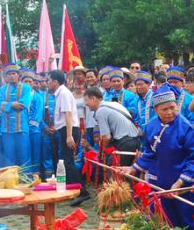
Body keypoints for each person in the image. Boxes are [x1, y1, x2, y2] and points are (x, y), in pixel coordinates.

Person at [131, 84, 194, 230]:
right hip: (161, 185)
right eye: (165, 109)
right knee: (167, 225)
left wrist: (180, 183)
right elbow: (150, 153)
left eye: (173, 107)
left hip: (184, 187)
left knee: (190, 225)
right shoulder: (151, 127)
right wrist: (133, 168)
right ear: (156, 110)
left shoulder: (186, 128)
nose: (170, 112)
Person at [50, 69, 90, 205]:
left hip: (69, 130)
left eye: (48, 80)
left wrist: (68, 135)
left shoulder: (64, 93)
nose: (47, 83)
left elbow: (67, 114)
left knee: (67, 161)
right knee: (64, 161)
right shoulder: (61, 93)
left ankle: (82, 191)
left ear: (55, 81)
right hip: (65, 130)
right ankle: (73, 190)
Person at [85, 87, 141, 165]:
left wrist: (102, 153)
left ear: (93, 98)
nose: (85, 104)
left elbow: (106, 137)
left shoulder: (100, 111)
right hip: (135, 141)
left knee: (114, 174)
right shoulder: (113, 104)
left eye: (86, 100)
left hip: (125, 143)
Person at [0, 65, 32, 172]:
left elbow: (23, 105)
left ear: (18, 75)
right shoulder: (2, 89)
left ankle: (26, 178)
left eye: (14, 74)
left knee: (24, 155)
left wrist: (7, 105)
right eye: (9, 74)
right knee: (8, 156)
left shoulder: (26, 88)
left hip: (22, 127)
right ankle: (9, 178)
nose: (12, 76)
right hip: (6, 129)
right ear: (6, 77)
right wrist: (13, 105)